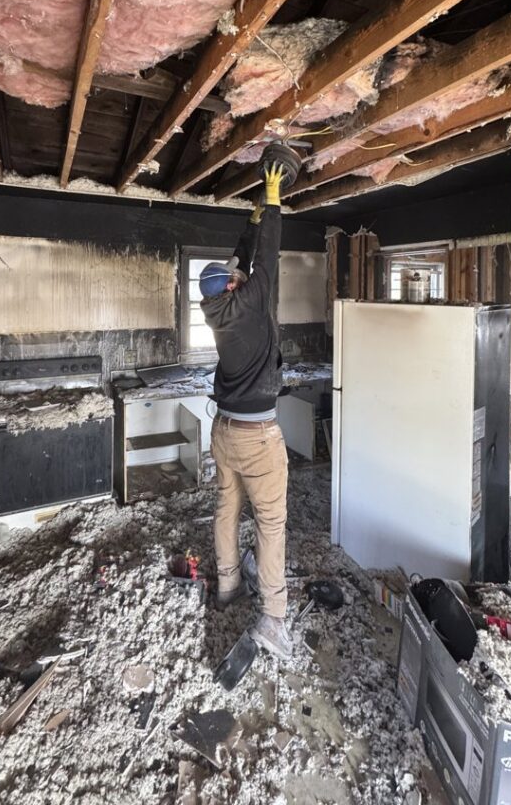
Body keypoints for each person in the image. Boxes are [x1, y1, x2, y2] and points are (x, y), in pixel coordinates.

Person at [199, 161, 292, 660]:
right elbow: (267, 261)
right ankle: (274, 619)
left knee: (227, 508)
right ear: (233, 287)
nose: (239, 274)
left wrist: (250, 223)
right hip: (258, 439)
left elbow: (241, 260)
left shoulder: (217, 308)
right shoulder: (252, 300)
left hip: (225, 432)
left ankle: (229, 586)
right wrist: (272, 204)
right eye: (235, 277)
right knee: (271, 522)